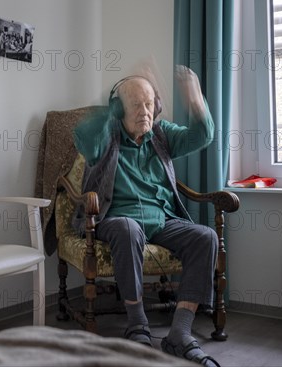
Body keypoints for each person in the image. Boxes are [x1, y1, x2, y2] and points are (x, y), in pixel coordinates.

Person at [72, 67, 220, 367]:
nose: (145, 111)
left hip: (160, 219)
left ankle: (179, 332)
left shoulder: (162, 135)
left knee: (206, 237)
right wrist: (108, 112)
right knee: (129, 229)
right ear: (118, 110)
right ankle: (137, 322)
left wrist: (195, 98)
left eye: (149, 103)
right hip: (116, 219)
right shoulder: (107, 137)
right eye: (136, 104)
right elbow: (83, 138)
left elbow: (203, 135)